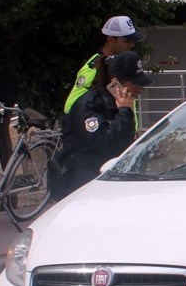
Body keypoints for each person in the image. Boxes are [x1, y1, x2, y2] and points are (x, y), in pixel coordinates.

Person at [52, 51, 152, 199]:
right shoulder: (89, 106)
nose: (139, 91)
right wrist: (124, 111)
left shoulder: (116, 104)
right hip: (82, 184)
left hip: (107, 181)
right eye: (135, 84)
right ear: (115, 81)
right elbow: (105, 144)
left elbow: (123, 142)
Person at [64, 16, 146, 114]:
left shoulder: (120, 65)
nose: (132, 45)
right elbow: (70, 107)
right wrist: (99, 123)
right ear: (111, 40)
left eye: (132, 41)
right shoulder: (94, 68)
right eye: (126, 41)